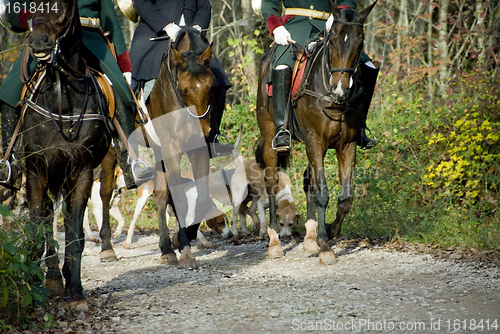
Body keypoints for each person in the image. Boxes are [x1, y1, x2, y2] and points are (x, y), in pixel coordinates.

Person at [0, 0, 154, 189]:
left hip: (90, 39)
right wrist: (31, 19)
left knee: (121, 91)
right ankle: (10, 161)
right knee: (9, 91)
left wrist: (124, 64)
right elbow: (12, 11)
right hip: (47, 37)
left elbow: (111, 22)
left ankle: (131, 161)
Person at [261, 0, 378, 151]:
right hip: (295, 26)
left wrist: (340, 13)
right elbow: (269, 3)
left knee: (368, 66)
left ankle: (360, 127)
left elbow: (347, 1)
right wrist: (276, 27)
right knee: (282, 65)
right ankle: (282, 129)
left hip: (333, 27)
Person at [129, 0, 234, 158]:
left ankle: (213, 138)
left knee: (218, 78)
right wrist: (166, 26)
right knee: (131, 79)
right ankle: (127, 146)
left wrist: (198, 26)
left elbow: (204, 5)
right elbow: (141, 3)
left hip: (191, 37)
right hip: (156, 33)